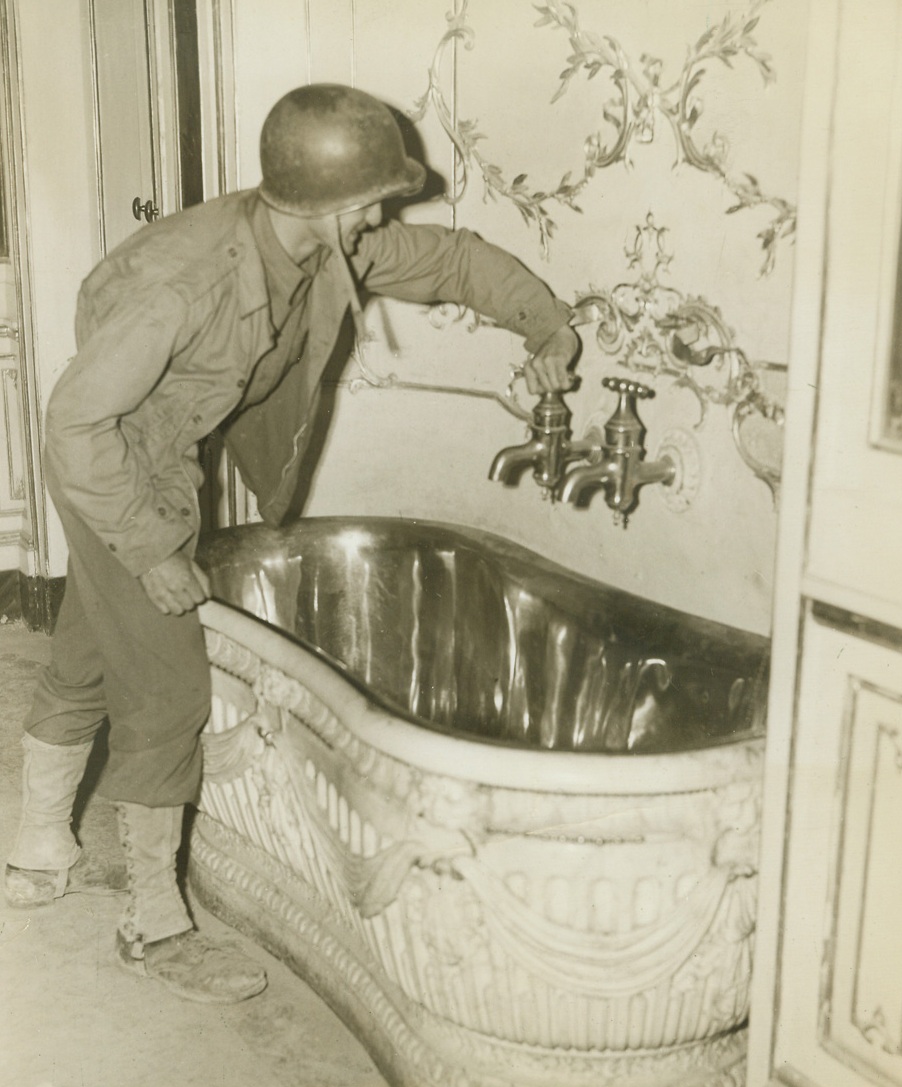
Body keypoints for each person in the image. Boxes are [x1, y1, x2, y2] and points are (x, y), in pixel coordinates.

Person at [3, 84, 580, 1003]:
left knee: (89, 649)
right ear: (331, 200)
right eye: (375, 201)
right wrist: (149, 548)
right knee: (166, 684)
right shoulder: (187, 285)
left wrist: (544, 325)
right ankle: (153, 921)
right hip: (115, 463)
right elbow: (77, 423)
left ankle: (37, 846)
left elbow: (451, 261)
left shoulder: (322, 239)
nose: (383, 217)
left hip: (160, 446)